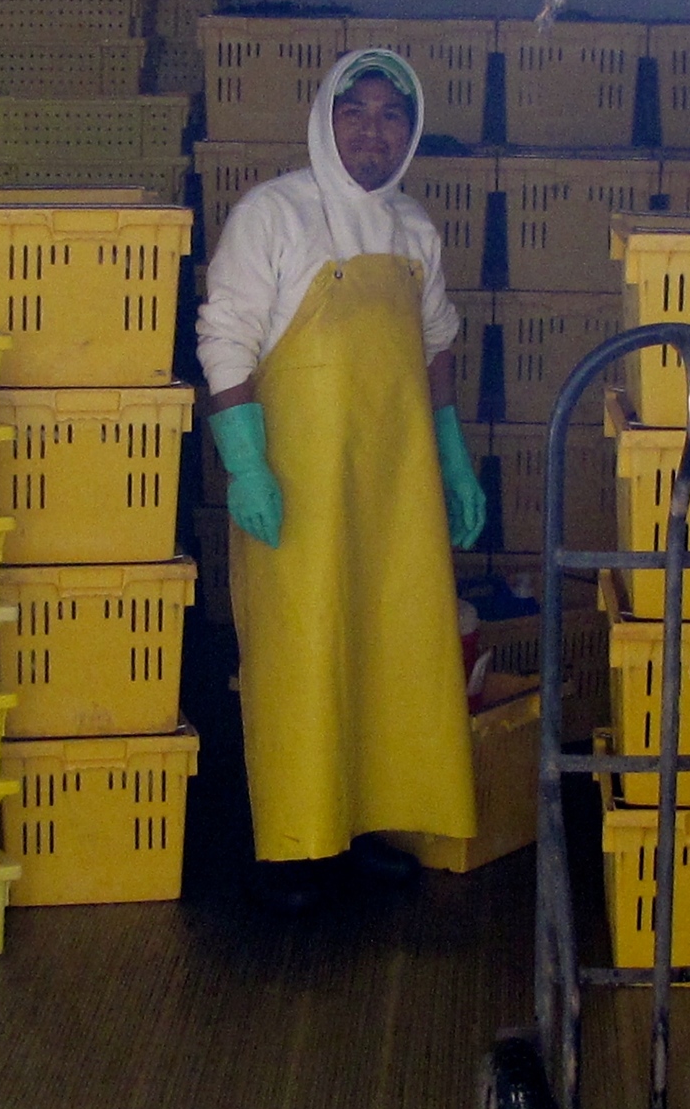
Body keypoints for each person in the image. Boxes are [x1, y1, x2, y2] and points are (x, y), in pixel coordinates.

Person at [197, 49, 487, 913]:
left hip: (391, 487)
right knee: (301, 655)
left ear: (411, 130)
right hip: (297, 486)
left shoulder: (413, 232)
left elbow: (436, 344)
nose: (372, 131)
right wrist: (245, 463)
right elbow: (226, 339)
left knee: (386, 653)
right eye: (354, 112)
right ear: (326, 118)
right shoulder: (273, 215)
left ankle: (359, 832)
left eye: (390, 115)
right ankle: (292, 848)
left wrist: (452, 453)